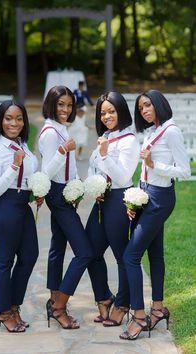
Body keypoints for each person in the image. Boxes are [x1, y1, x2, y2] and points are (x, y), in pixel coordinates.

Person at [120, 90, 191, 340]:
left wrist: (154, 166)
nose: (144, 111)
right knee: (155, 253)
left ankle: (139, 316)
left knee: (131, 255)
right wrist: (135, 200)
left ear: (159, 104)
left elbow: (183, 170)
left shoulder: (171, 131)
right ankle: (158, 309)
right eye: (140, 108)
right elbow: (144, 170)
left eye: (148, 105)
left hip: (161, 199)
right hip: (146, 195)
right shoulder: (151, 131)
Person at [0, 100, 41, 333]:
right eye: (8, 118)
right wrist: (13, 168)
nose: (13, 123)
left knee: (29, 256)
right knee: (4, 261)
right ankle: (2, 311)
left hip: (20, 205)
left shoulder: (23, 146)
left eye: (18, 118)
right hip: (1, 206)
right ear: (0, 121)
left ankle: (14, 305)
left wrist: (35, 191)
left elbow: (28, 176)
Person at [38, 85, 93, 329]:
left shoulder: (61, 128)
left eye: (69, 105)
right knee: (84, 252)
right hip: (57, 195)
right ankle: (60, 306)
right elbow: (46, 172)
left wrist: (76, 187)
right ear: (51, 104)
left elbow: (66, 168)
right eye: (61, 104)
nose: (65, 109)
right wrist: (63, 150)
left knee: (57, 249)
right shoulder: (51, 133)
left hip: (65, 192)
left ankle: (53, 300)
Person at [85, 91, 140, 327]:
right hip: (101, 201)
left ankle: (123, 304)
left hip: (119, 200)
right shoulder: (104, 137)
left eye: (111, 111)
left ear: (121, 111)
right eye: (103, 112)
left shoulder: (129, 140)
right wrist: (93, 185)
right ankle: (104, 297)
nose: (107, 116)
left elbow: (123, 175)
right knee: (89, 251)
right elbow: (91, 166)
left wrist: (106, 154)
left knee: (122, 257)